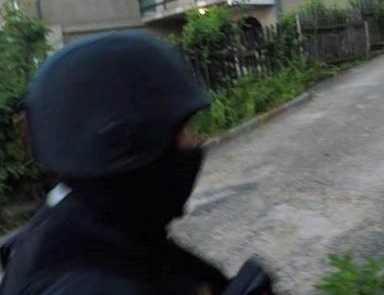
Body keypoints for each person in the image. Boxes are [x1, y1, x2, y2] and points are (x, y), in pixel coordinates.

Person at [0, 32, 272, 295]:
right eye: (181, 129)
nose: (194, 140)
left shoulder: (97, 235)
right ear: (129, 146)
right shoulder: (86, 282)